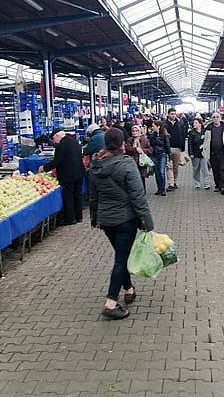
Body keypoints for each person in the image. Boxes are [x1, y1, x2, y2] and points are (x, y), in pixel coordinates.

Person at [89, 128, 155, 320]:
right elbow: (137, 196)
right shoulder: (126, 164)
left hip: (106, 220)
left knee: (121, 254)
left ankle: (128, 289)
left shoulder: (96, 165)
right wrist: (147, 222)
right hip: (125, 219)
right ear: (122, 143)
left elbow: (93, 196)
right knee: (121, 259)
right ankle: (110, 303)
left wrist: (95, 218)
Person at [40, 131, 84, 225]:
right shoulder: (74, 141)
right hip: (79, 172)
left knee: (68, 196)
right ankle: (79, 216)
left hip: (68, 175)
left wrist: (44, 168)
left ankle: (70, 219)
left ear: (57, 136)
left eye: (54, 139)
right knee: (77, 195)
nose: (54, 142)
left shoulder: (61, 146)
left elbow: (57, 161)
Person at [203, 112, 224, 195]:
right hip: (212, 153)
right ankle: (217, 185)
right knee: (215, 170)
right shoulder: (208, 128)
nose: (215, 118)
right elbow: (203, 139)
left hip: (223, 152)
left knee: (223, 170)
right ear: (212, 119)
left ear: (220, 118)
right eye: (214, 117)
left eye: (217, 117)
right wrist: (203, 149)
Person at [125, 125, 153, 191]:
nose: (135, 132)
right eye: (133, 131)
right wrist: (135, 149)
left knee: (141, 178)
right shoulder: (129, 140)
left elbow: (150, 150)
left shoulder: (145, 140)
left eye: (136, 130)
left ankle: (143, 192)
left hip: (142, 162)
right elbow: (127, 149)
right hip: (132, 162)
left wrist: (142, 150)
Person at [164, 108, 186, 191]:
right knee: (169, 166)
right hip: (168, 148)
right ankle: (171, 184)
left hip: (177, 148)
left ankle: (175, 181)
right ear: (168, 114)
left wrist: (182, 148)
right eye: (172, 114)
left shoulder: (180, 123)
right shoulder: (164, 124)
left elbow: (182, 135)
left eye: (174, 114)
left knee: (176, 167)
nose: (173, 115)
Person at [148, 120, 170, 196]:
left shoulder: (164, 135)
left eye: (153, 126)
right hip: (154, 155)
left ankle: (163, 189)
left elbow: (167, 145)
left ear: (158, 126)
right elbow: (150, 144)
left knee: (161, 172)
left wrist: (168, 156)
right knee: (157, 172)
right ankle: (159, 188)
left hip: (162, 155)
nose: (152, 127)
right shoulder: (152, 135)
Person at [188, 118, 210, 189]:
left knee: (205, 169)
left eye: (196, 123)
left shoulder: (205, 132)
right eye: (194, 123)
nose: (194, 124)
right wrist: (191, 153)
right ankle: (197, 183)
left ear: (200, 124)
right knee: (196, 169)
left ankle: (206, 184)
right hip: (195, 153)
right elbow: (190, 143)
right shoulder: (191, 132)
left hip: (203, 154)